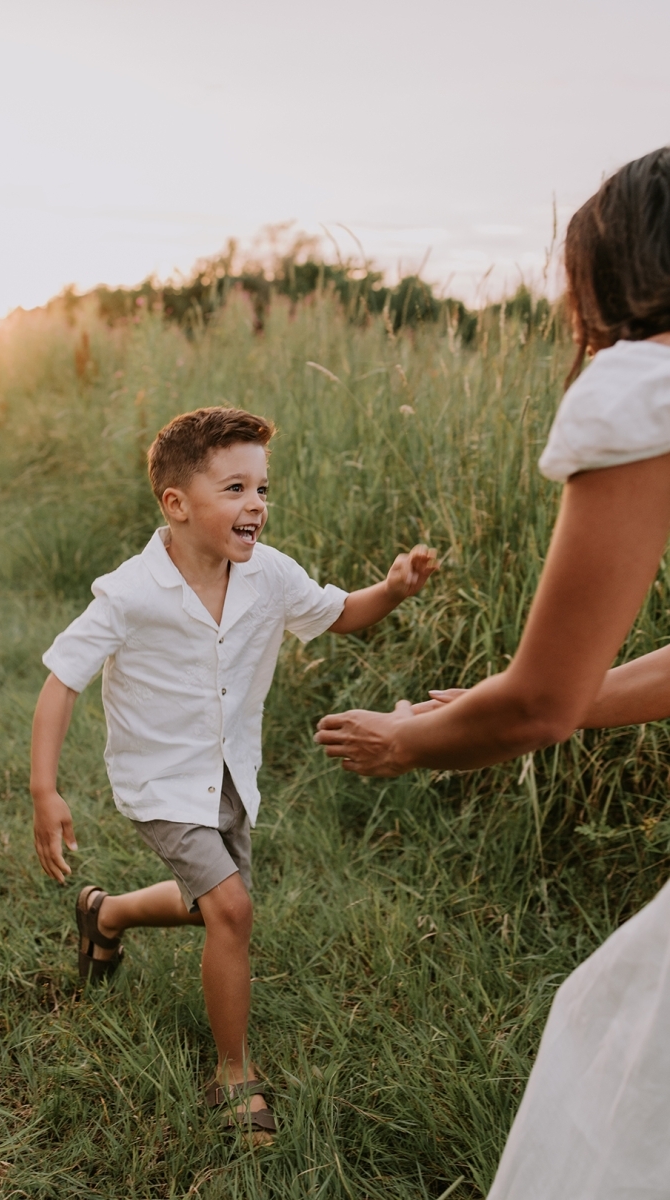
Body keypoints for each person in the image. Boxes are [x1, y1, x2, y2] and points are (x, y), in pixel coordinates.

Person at [315, 146, 670, 1196]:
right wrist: (482, 702)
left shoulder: (641, 388)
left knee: (617, 1077)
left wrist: (409, 740)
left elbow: (540, 705)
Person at [30, 405, 438, 1140]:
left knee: (205, 907)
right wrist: (45, 790)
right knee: (231, 911)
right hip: (159, 780)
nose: (256, 505)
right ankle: (232, 1074)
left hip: (229, 774)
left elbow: (339, 612)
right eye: (235, 489)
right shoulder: (129, 592)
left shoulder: (270, 576)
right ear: (177, 504)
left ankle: (107, 913)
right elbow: (62, 679)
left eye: (262, 488)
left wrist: (394, 590)